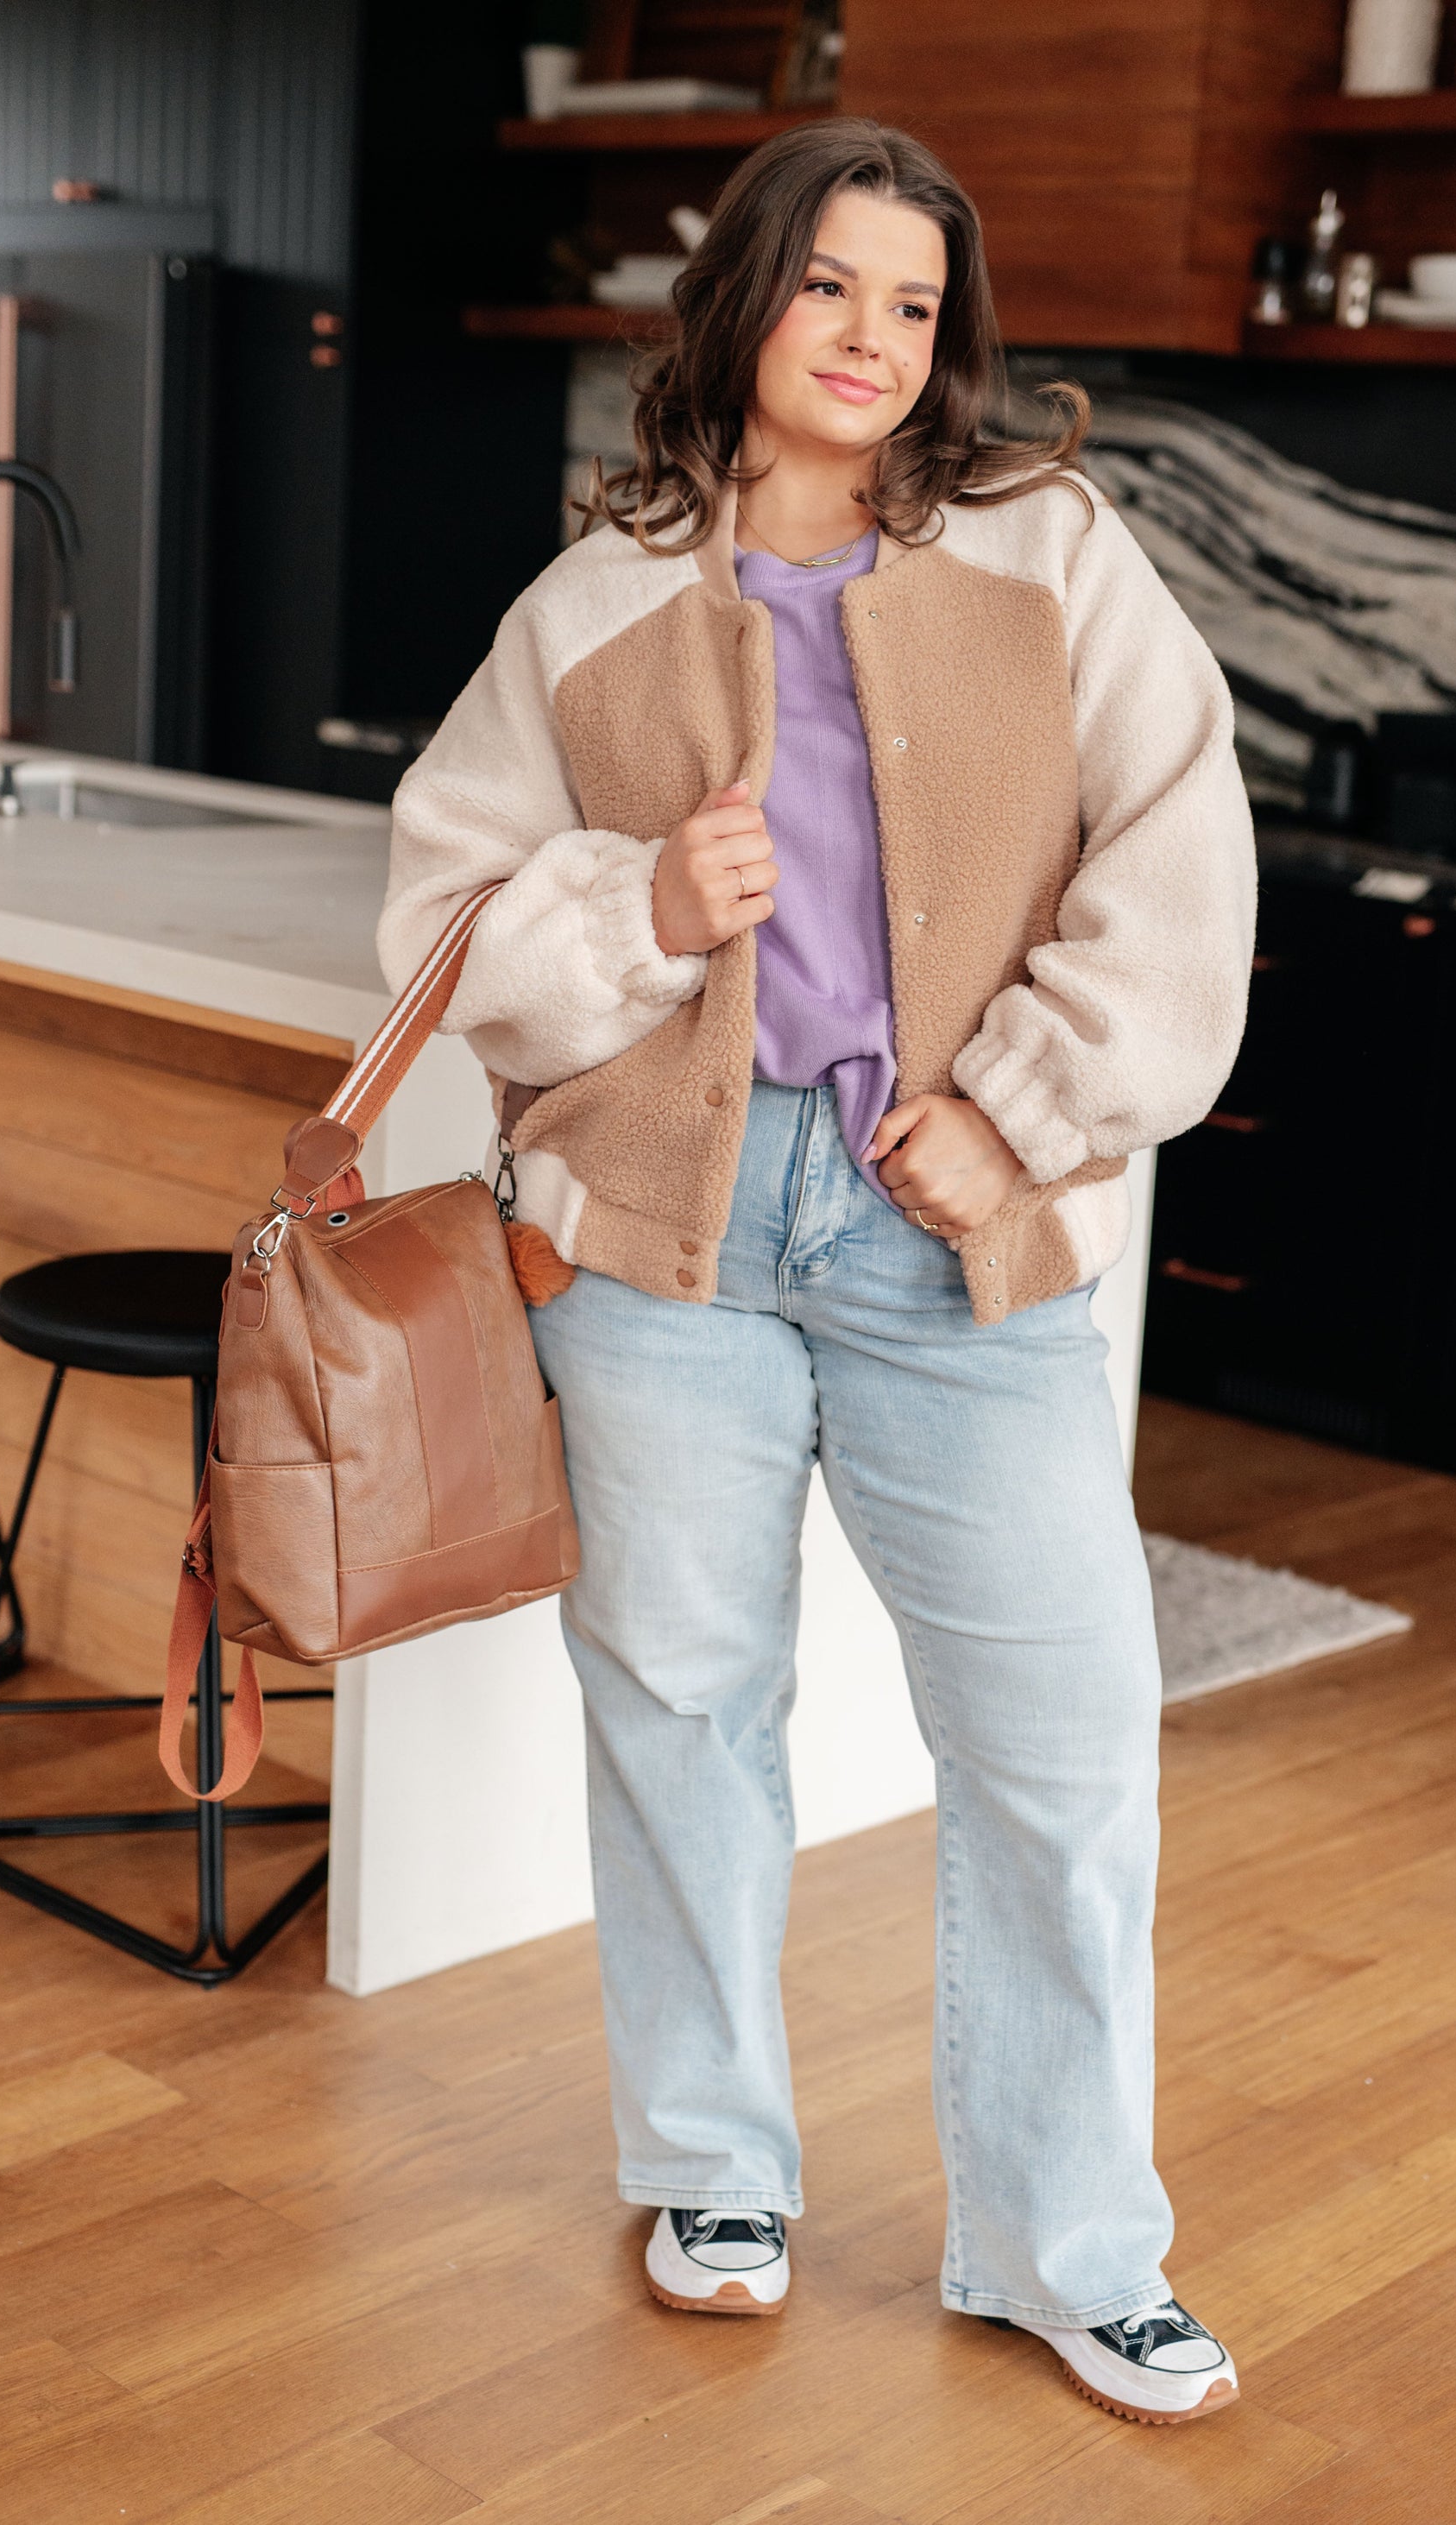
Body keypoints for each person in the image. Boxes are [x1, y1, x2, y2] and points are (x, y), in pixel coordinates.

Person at [380, 117, 1256, 2427]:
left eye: (912, 304)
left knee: (1060, 1751)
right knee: (683, 1707)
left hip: (942, 1217)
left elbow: (1179, 852)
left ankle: (1070, 2250)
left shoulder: (1048, 552)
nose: (873, 343)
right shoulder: (586, 604)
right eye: (827, 292)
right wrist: (638, 913)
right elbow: (445, 918)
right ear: (742, 303)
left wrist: (1027, 1106)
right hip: (665, 1230)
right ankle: (708, 2165)